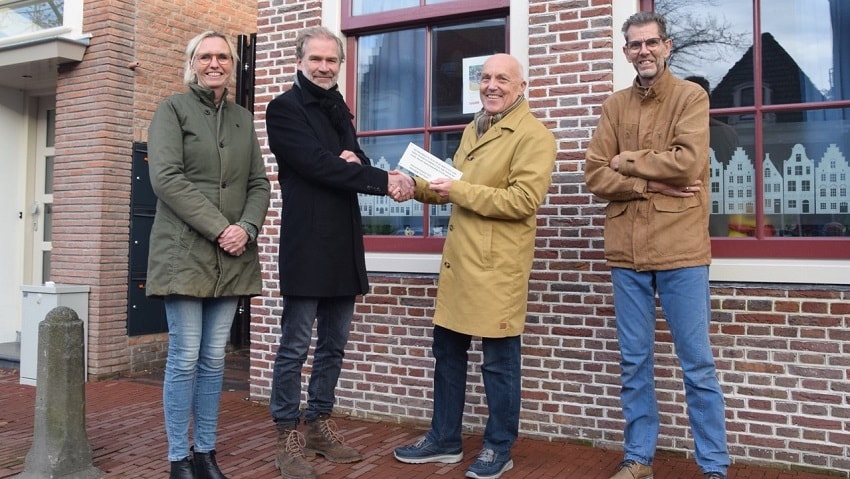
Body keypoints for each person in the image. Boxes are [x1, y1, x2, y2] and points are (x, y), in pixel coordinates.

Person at [392, 53, 556, 479]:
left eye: (502, 78)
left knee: (499, 363)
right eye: (485, 78)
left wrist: (460, 190)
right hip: (460, 263)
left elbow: (523, 201)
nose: (491, 85)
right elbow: (452, 184)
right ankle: (444, 439)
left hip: (497, 267)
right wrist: (414, 186)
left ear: (521, 87)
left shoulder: (534, 136)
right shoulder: (474, 128)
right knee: (447, 355)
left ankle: (499, 446)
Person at [583, 11, 730, 479]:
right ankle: (638, 459)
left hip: (681, 250)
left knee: (697, 365)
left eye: (651, 42)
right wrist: (648, 183)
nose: (643, 51)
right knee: (634, 362)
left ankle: (713, 466)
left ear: (667, 46)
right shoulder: (614, 106)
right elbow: (594, 174)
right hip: (626, 253)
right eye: (635, 44)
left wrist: (626, 161)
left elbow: (687, 165)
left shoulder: (691, 97)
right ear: (626, 51)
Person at [265, 26, 414, 479]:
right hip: (306, 244)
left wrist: (354, 164)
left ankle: (318, 425)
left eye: (332, 60)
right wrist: (374, 177)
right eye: (316, 59)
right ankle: (286, 435)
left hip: (343, 243)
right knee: (295, 346)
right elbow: (316, 165)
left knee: (334, 345)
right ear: (299, 61)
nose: (324, 67)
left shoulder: (339, 108)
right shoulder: (283, 109)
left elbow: (357, 160)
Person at [147, 31, 271, 479]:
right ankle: (179, 458)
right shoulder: (172, 110)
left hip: (232, 256)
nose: (214, 63)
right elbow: (166, 178)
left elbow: (258, 183)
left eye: (222, 56)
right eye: (205, 56)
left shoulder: (242, 119)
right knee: (184, 356)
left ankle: (205, 452)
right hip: (184, 254)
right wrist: (223, 229)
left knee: (214, 358)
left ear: (232, 64)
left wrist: (247, 228)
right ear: (192, 63)